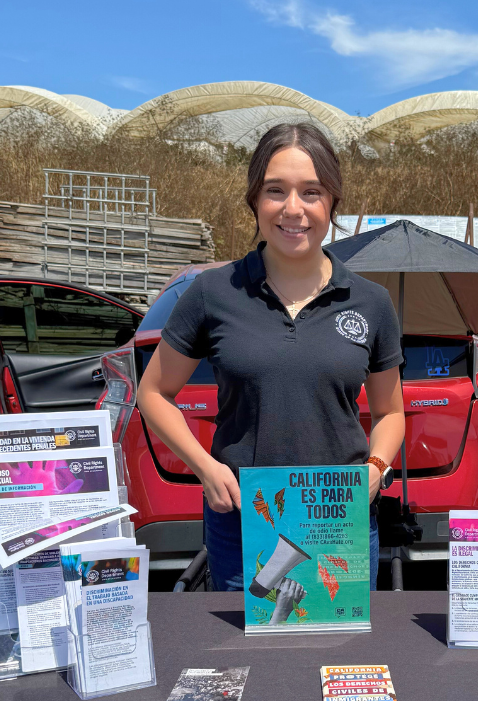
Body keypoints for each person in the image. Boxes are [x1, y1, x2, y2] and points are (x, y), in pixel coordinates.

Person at [137, 123, 405, 591]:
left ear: (332, 202)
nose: (293, 209)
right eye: (275, 190)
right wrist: (206, 467)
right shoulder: (212, 293)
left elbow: (390, 412)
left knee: (338, 656)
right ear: (255, 201)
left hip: (339, 520)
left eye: (311, 192)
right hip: (245, 522)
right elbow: (153, 393)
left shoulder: (371, 302)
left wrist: (376, 469)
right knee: (248, 661)